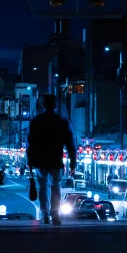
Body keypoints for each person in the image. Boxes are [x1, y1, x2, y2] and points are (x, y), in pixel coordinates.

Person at [26, 94, 76, 225]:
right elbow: (70, 144)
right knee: (56, 186)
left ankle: (45, 215)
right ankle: (55, 214)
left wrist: (29, 161)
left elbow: (30, 143)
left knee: (43, 187)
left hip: (40, 160)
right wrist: (72, 164)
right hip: (56, 159)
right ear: (55, 105)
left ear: (42, 105)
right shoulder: (62, 121)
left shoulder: (35, 120)